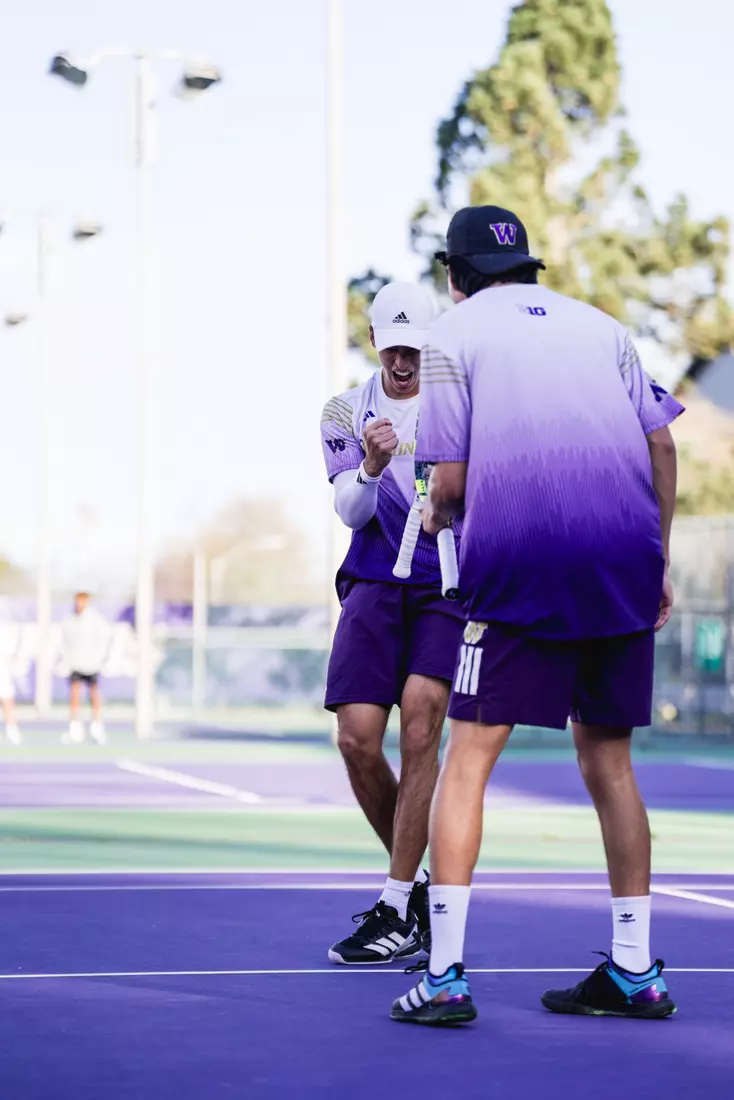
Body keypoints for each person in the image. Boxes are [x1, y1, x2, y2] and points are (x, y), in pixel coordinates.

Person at [392, 205, 683, 1025]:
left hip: (522, 560)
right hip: (624, 555)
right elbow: (662, 445)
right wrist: (655, 558)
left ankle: (444, 977)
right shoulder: (604, 328)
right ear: (526, 268)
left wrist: (444, 518)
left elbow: (446, 485)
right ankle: (634, 970)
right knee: (611, 763)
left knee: (468, 756)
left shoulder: (451, 334)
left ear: (456, 272)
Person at [321, 281, 465, 964]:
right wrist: (374, 467)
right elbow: (349, 513)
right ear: (375, 341)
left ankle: (392, 904)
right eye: (394, 347)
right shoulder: (346, 409)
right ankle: (415, 894)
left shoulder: (459, 408)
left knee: (420, 721)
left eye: (416, 349)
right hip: (375, 578)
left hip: (444, 583)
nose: (404, 361)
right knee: (355, 739)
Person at [60, 591, 112, 744]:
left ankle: (97, 726)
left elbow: (104, 641)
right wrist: (67, 660)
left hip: (92, 664)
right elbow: (64, 642)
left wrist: (100, 659)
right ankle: (74, 727)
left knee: (94, 694)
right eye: (78, 601)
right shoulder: (69, 620)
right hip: (76, 664)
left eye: (83, 601)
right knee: (75, 694)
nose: (79, 604)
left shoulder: (96, 620)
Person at [0, 605, 22, 744]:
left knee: (7, 698)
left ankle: (11, 728)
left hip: (2, 669)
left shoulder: (4, 629)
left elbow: (10, 651)